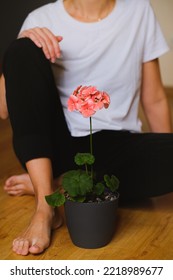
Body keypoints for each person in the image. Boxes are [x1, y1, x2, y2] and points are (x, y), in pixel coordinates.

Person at [0, 0, 172, 256]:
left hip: (115, 149)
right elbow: (4, 109)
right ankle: (46, 204)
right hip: (53, 148)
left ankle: (60, 184)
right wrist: (20, 52)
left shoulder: (139, 11)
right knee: (21, 49)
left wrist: (162, 155)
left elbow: (155, 99)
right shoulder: (41, 18)